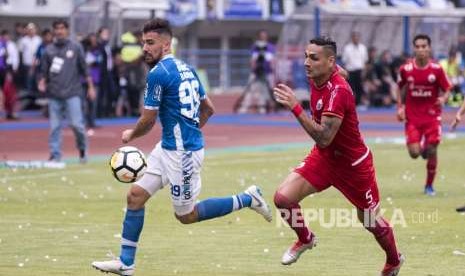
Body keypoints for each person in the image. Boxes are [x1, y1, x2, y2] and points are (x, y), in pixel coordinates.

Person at [91, 19, 272, 276]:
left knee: (186, 215)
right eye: (144, 43)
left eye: (150, 43)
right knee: (135, 197)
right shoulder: (186, 68)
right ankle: (126, 263)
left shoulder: (157, 74)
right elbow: (209, 108)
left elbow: (148, 119)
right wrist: (190, 130)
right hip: (168, 148)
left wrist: (132, 134)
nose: (145, 48)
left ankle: (248, 198)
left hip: (182, 153)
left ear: (166, 45)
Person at [272, 36, 403, 275]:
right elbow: (343, 73)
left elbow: (323, 137)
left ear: (329, 61)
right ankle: (306, 238)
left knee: (370, 221)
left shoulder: (338, 93)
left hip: (353, 165)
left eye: (313, 58)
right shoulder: (319, 75)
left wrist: (295, 107)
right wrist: (339, 72)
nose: (306, 63)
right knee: (283, 199)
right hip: (325, 158)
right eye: (305, 56)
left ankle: (394, 260)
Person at [396, 34, 452, 196]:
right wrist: (400, 107)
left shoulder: (437, 69)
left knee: (432, 149)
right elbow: (400, 88)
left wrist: (443, 98)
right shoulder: (405, 69)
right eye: (418, 46)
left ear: (429, 48)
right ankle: (423, 148)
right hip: (413, 117)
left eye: (424, 46)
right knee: (414, 153)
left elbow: (447, 88)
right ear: (414, 49)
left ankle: (429, 186)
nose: (421, 49)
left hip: (432, 116)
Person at [37, 19, 96, 163]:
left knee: (77, 125)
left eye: (62, 28)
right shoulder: (48, 50)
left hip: (73, 93)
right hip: (54, 94)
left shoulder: (76, 47)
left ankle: (82, 150)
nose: (59, 31)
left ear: (67, 30)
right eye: (56, 28)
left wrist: (90, 87)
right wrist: (42, 82)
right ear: (53, 31)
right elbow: (43, 72)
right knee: (55, 127)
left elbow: (84, 69)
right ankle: (55, 155)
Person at [235, 30, 276, 114]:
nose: (263, 37)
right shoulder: (255, 46)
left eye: (264, 35)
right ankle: (244, 107)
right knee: (250, 90)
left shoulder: (270, 47)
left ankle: (263, 108)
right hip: (256, 72)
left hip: (267, 72)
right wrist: (253, 66)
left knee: (264, 90)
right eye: (261, 35)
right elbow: (252, 60)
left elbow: (273, 60)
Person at [342, 31, 368, 107]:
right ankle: (350, 104)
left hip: (359, 70)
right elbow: (344, 61)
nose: (356, 39)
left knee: (359, 88)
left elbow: (365, 61)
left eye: (357, 37)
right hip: (350, 71)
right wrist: (346, 72)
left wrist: (364, 72)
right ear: (352, 38)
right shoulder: (347, 48)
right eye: (354, 37)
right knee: (350, 88)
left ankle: (358, 103)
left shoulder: (363, 48)